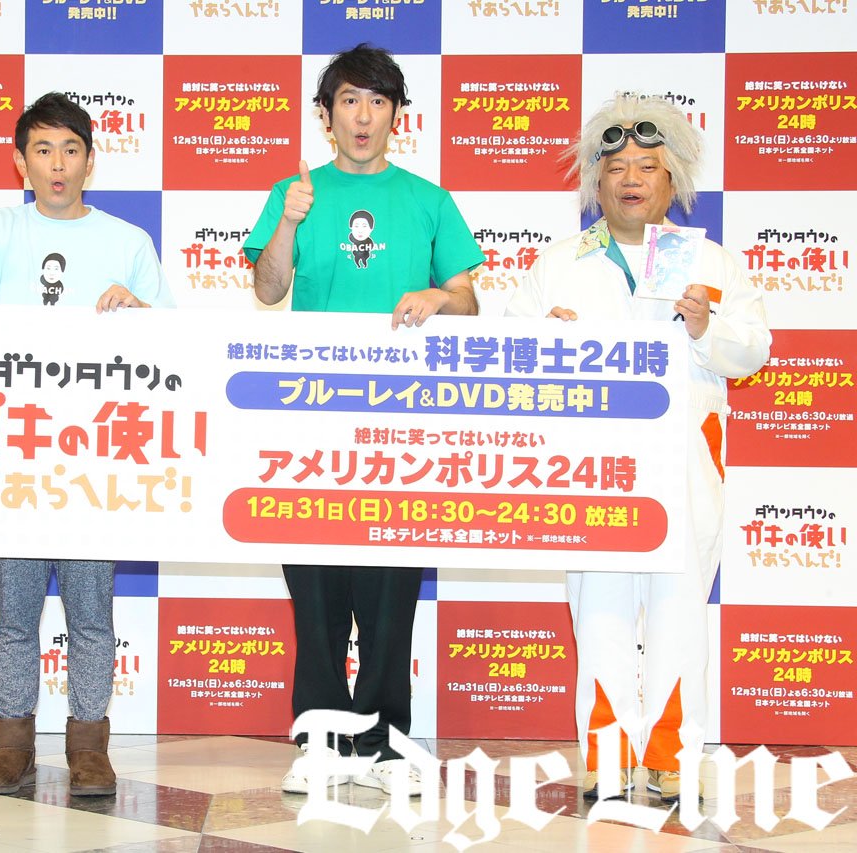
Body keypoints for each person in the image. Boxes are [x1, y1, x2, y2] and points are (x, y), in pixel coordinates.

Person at [505, 94, 770, 802]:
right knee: (599, 615)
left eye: (647, 166)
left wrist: (706, 326)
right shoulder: (558, 264)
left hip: (684, 470)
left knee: (681, 616)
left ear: (672, 177)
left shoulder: (709, 261)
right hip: (592, 472)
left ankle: (672, 758)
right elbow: (510, 358)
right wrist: (543, 343)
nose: (630, 179)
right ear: (595, 179)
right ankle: (607, 758)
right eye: (616, 165)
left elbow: (753, 351)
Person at [242, 44, 483, 796]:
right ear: (326, 114)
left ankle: (384, 744)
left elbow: (468, 299)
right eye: (349, 100)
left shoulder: (429, 199)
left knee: (389, 592)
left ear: (396, 115)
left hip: (401, 428)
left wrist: (440, 298)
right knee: (314, 592)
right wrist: (288, 222)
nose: (363, 115)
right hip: (309, 421)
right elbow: (268, 289)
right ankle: (320, 739)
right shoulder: (294, 192)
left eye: (378, 101)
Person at [0, 91, 171, 798]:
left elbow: (169, 343)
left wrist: (138, 311)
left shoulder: (128, 241)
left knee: (91, 613)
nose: (58, 163)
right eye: (43, 150)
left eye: (71, 149)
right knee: (13, 613)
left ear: (90, 160)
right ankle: (10, 744)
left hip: (96, 458)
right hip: (15, 451)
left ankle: (89, 746)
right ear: (21, 162)